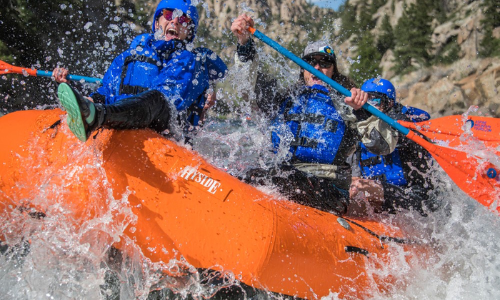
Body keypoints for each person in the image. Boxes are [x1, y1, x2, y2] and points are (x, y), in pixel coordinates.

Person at [230, 14, 398, 215]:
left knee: (281, 179)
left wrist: (362, 111)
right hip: (287, 176)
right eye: (311, 63)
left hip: (330, 190)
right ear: (303, 69)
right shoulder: (285, 98)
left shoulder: (348, 104)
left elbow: (385, 147)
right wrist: (244, 43)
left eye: (325, 62)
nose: (317, 68)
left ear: (333, 71)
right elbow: (247, 88)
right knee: (251, 176)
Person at [54, 0, 227, 143]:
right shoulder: (130, 55)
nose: (174, 21)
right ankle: (90, 112)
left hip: (165, 131)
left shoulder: (188, 60)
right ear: (157, 22)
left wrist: (107, 109)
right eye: (168, 15)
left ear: (189, 32)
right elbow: (106, 91)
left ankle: (96, 116)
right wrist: (87, 100)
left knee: (157, 98)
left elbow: (165, 102)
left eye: (183, 20)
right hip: (120, 117)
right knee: (96, 98)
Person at [348, 78, 439, 216]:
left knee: (358, 187)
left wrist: (361, 115)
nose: (368, 106)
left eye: (375, 101)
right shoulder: (363, 127)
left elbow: (380, 144)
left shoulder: (402, 125)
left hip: (415, 198)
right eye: (365, 100)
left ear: (389, 103)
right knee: (349, 183)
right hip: (386, 197)